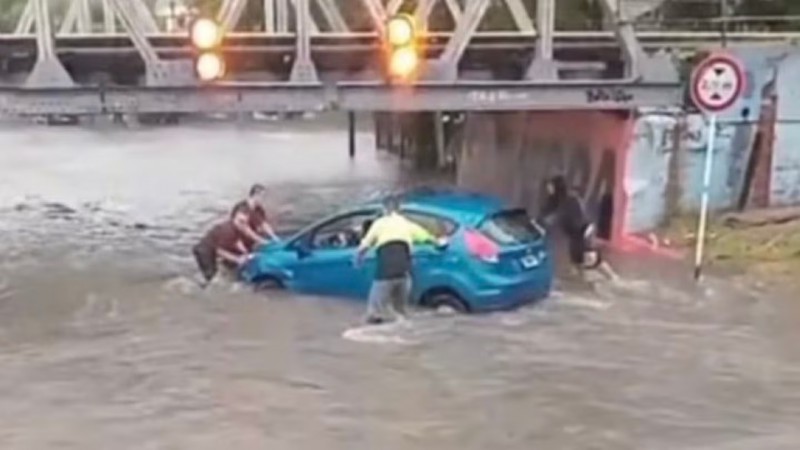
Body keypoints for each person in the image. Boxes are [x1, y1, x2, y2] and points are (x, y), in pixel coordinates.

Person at [355, 196, 444, 325]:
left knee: (373, 315)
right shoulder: (407, 224)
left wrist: (358, 259)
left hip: (384, 274)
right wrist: (440, 242)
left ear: (384, 210)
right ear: (399, 209)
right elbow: (428, 238)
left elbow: (364, 245)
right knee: (401, 312)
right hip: (404, 273)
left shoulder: (379, 224)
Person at [540, 175, 618, 282]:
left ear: (557, 186)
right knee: (576, 259)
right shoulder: (553, 200)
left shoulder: (570, 199)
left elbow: (559, 215)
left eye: (550, 185)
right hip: (573, 234)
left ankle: (612, 278)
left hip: (584, 231)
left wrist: (549, 220)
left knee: (591, 258)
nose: (548, 188)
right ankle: (580, 282)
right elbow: (545, 214)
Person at [192, 220, 251, 287]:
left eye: (245, 223)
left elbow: (236, 241)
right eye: (242, 222)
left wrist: (246, 252)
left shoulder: (235, 228)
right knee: (211, 277)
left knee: (214, 273)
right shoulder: (228, 230)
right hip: (204, 251)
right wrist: (237, 259)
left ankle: (202, 284)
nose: (244, 226)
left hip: (210, 250)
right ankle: (197, 287)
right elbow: (219, 251)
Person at [231, 184, 279, 252]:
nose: (264, 199)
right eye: (263, 197)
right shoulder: (242, 208)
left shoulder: (259, 209)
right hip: (237, 243)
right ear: (256, 195)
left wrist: (274, 237)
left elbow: (263, 224)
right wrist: (261, 241)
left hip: (251, 243)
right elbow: (245, 229)